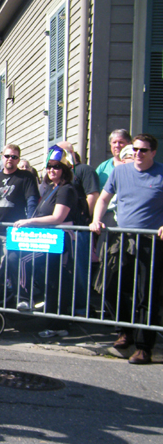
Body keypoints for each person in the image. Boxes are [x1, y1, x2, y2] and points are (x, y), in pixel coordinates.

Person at [90, 134, 163, 365]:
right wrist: (96, 219)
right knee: (112, 285)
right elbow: (103, 198)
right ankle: (125, 331)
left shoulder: (161, 173)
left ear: (153, 152)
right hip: (121, 238)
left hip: (151, 241)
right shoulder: (120, 172)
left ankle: (143, 347)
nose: (138, 154)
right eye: (136, 150)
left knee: (146, 293)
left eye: (144, 150)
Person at [13, 146, 83, 316]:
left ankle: (25, 299)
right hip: (48, 239)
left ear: (65, 169)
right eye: (49, 166)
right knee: (51, 282)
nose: (52, 170)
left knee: (24, 261)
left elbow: (58, 217)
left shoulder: (66, 189)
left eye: (57, 166)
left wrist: (29, 222)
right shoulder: (52, 188)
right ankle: (47, 316)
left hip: (59, 242)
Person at [0, 144, 40, 306]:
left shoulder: (25, 177)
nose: (10, 159)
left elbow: (31, 201)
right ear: (2, 157)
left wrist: (30, 221)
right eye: (8, 156)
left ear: (18, 159)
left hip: (14, 231)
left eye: (14, 157)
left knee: (12, 265)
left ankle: (16, 298)